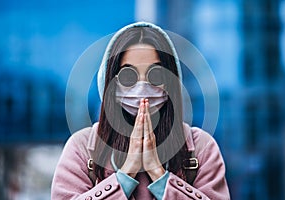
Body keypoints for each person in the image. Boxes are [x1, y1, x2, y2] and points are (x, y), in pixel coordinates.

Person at [51, 22, 230, 200]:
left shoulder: (201, 148)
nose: (142, 87)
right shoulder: (81, 149)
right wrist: (126, 174)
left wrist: (159, 176)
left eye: (156, 75)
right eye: (128, 76)